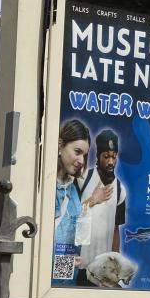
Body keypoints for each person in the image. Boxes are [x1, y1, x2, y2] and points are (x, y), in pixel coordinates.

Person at [76, 129, 125, 278]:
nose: (111, 162)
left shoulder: (120, 189)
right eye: (106, 157)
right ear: (98, 156)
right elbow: (69, 215)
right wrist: (93, 200)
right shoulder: (83, 178)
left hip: (101, 272)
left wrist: (117, 263)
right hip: (79, 266)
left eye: (113, 157)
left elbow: (116, 229)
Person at [53, 120, 90, 284]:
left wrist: (72, 263)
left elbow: (72, 249)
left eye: (84, 155)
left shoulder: (74, 192)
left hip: (61, 288)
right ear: (60, 145)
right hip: (36, 287)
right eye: (77, 151)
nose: (81, 160)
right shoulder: (41, 188)